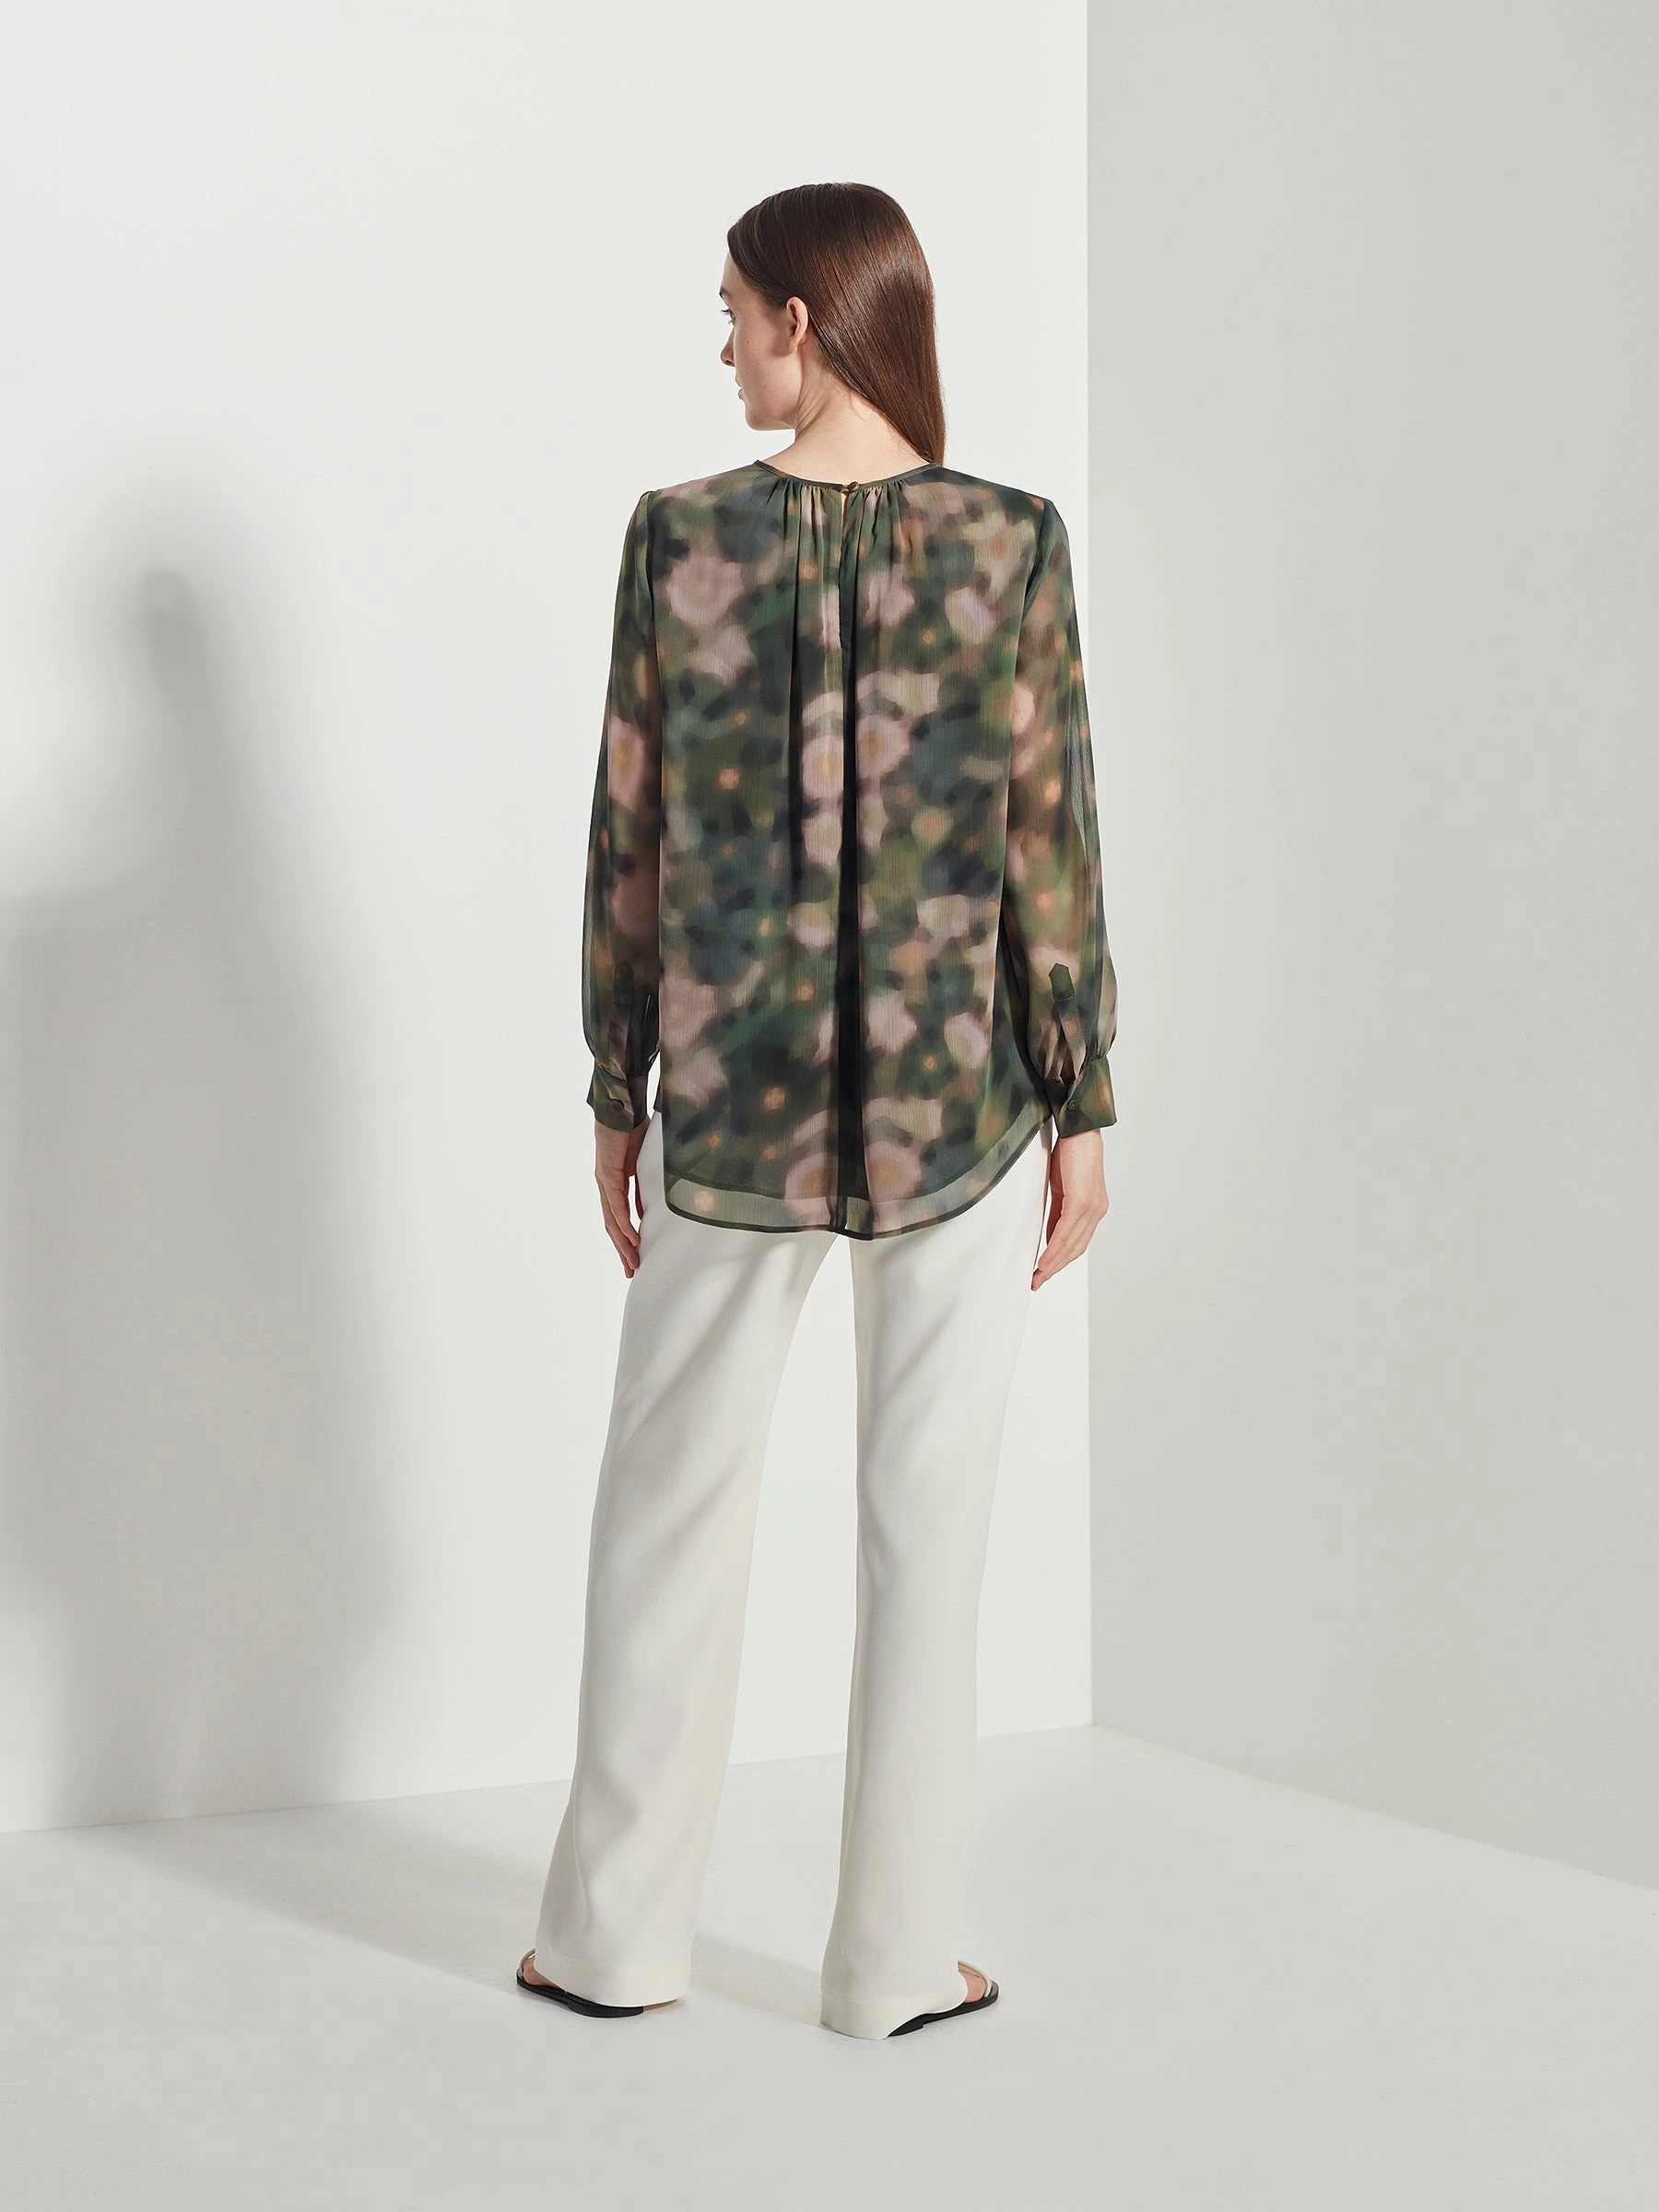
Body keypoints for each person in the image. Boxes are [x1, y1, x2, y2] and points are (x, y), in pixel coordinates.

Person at [517, 182, 1119, 2041]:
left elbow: (630, 838)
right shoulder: (1010, 542)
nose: (722, 347)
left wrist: (619, 1081)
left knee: (665, 1513)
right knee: (929, 1534)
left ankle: (613, 1945)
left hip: (730, 1105)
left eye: (732, 313)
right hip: (961, 1108)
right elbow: (1050, 847)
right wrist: (1082, 1099)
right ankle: (895, 1965)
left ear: (806, 319)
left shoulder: (681, 539)